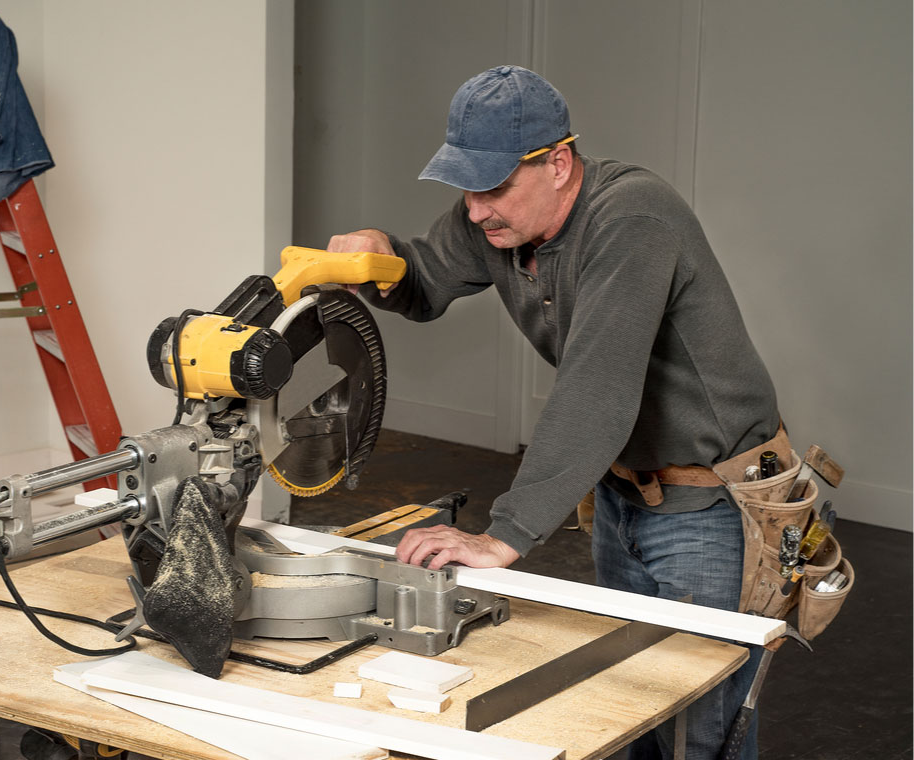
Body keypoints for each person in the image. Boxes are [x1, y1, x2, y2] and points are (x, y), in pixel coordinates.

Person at [326, 65, 778, 760]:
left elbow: (599, 387)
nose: (477, 210)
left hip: (712, 505)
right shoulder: (494, 220)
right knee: (627, 707)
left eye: (496, 187)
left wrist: (504, 536)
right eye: (467, 189)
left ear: (559, 163)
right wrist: (379, 255)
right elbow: (424, 279)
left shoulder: (633, 218)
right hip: (625, 491)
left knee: (703, 730)